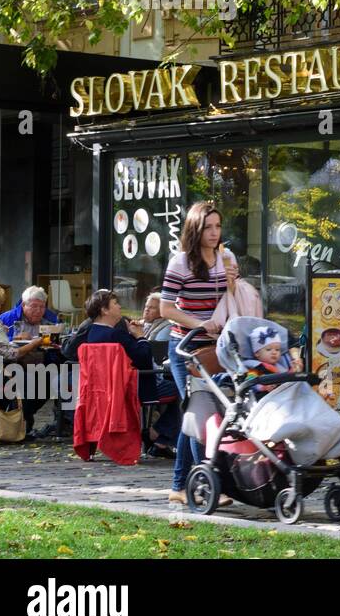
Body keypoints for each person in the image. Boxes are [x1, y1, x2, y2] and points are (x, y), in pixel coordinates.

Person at [160, 201, 239, 504]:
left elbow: (231, 300)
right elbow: (167, 309)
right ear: (195, 228)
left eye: (218, 226)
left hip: (216, 345)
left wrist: (232, 283)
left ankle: (179, 486)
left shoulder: (226, 257)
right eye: (208, 227)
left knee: (195, 415)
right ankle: (207, 485)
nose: (214, 233)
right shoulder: (180, 263)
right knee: (201, 412)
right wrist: (200, 324)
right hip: (186, 347)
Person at [82, 289, 180, 456]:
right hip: (130, 389)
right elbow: (142, 358)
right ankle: (158, 436)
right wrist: (140, 336)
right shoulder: (116, 334)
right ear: (105, 310)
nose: (120, 306)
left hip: (101, 390)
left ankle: (156, 436)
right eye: (115, 303)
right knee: (182, 390)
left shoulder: (92, 333)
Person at [0, 286, 65, 436]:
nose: (38, 310)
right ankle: (14, 424)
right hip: (13, 365)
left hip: (43, 365)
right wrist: (16, 339)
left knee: (52, 382)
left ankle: (21, 420)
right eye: (34, 306)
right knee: (14, 383)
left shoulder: (52, 320)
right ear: (24, 305)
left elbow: (60, 344)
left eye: (42, 306)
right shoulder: (7, 318)